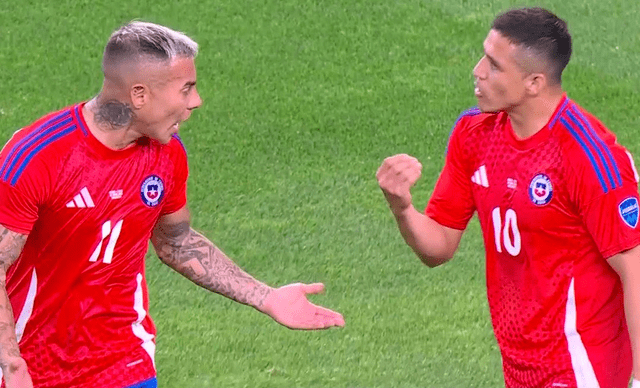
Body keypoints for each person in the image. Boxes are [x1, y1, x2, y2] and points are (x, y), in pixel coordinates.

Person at [0, 21, 345, 388]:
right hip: (34, 364)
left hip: (123, 360)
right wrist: (12, 364)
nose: (195, 102)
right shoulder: (37, 157)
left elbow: (175, 242)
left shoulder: (166, 154)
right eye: (185, 89)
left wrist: (267, 297)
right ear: (139, 94)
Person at [377, 7, 640, 388]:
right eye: (484, 55)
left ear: (534, 82)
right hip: (519, 367)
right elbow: (438, 246)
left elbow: (634, 268)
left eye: (495, 66)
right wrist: (401, 207)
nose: (478, 70)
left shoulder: (588, 156)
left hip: (584, 366)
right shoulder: (475, 133)